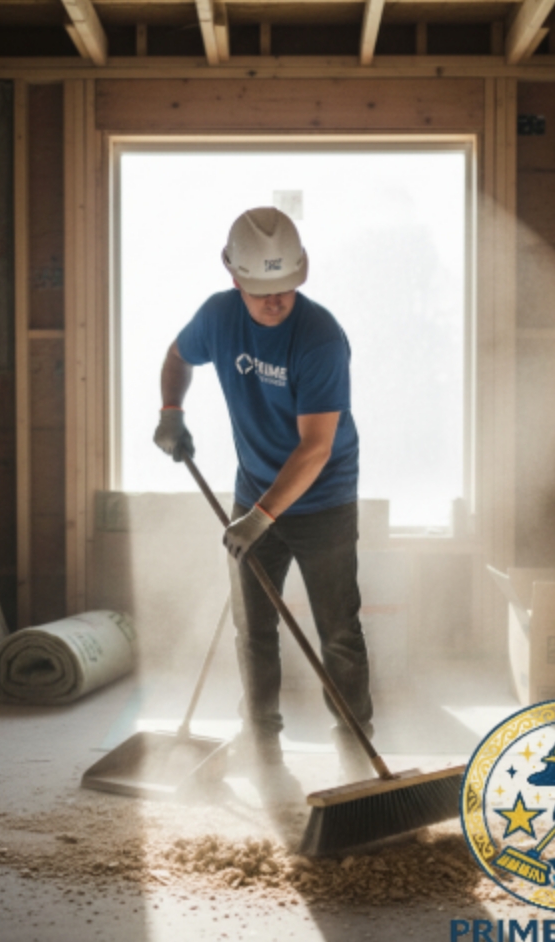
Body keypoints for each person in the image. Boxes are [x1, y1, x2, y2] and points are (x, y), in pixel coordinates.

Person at [153, 206, 373, 782]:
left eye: (285, 289)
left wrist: (262, 517)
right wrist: (170, 411)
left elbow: (315, 449)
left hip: (322, 499)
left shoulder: (320, 337)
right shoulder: (219, 318)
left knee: (339, 631)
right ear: (234, 278)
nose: (275, 302)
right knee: (253, 629)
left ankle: (355, 740)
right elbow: (178, 356)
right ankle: (262, 745)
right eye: (261, 292)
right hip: (255, 490)